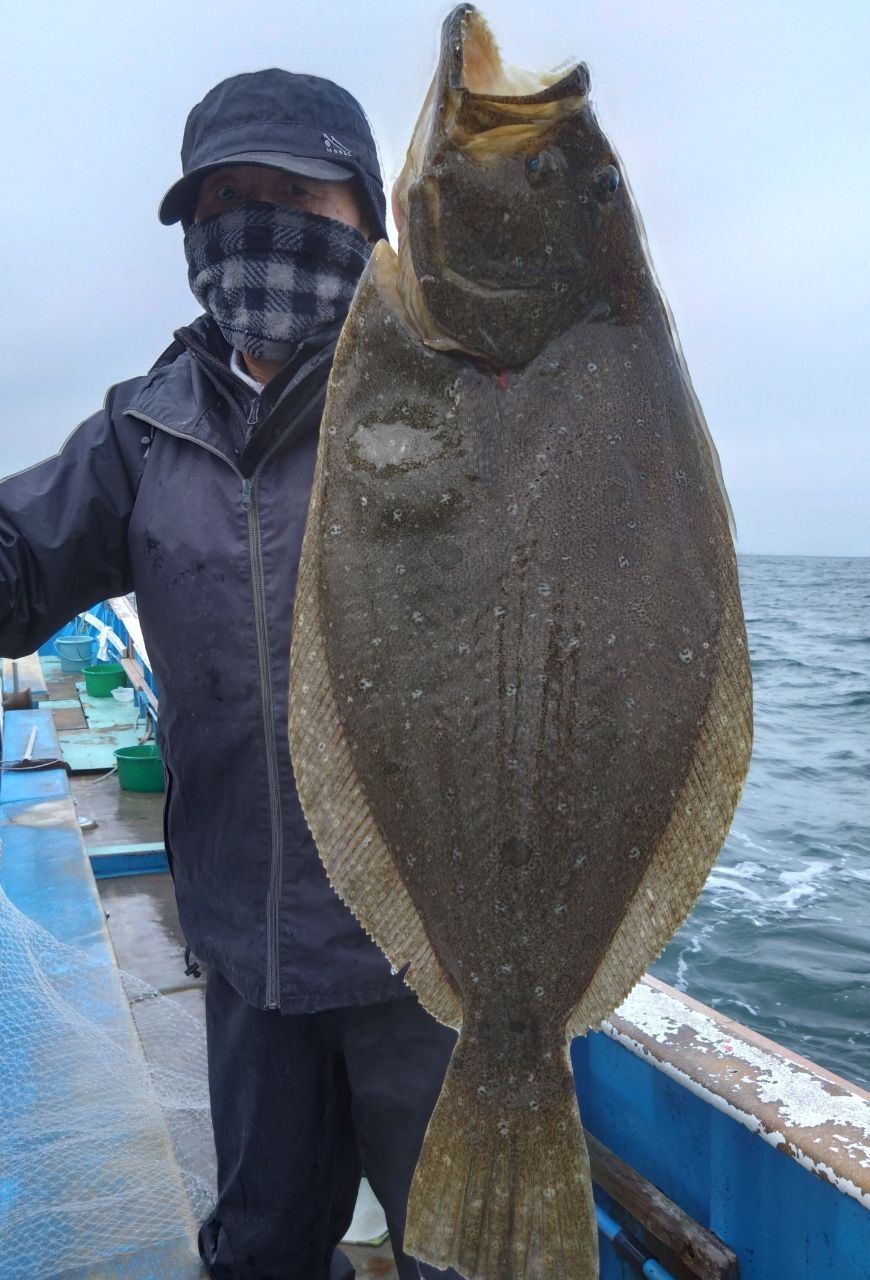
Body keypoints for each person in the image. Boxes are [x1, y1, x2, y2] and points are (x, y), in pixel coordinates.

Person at [0, 69, 462, 1280]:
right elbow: (17, 562)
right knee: (260, 1249)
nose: (254, 221)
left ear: (367, 217)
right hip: (246, 955)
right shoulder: (144, 430)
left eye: (294, 195)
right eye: (224, 199)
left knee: (468, 1257)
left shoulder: (458, 399)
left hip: (435, 958)